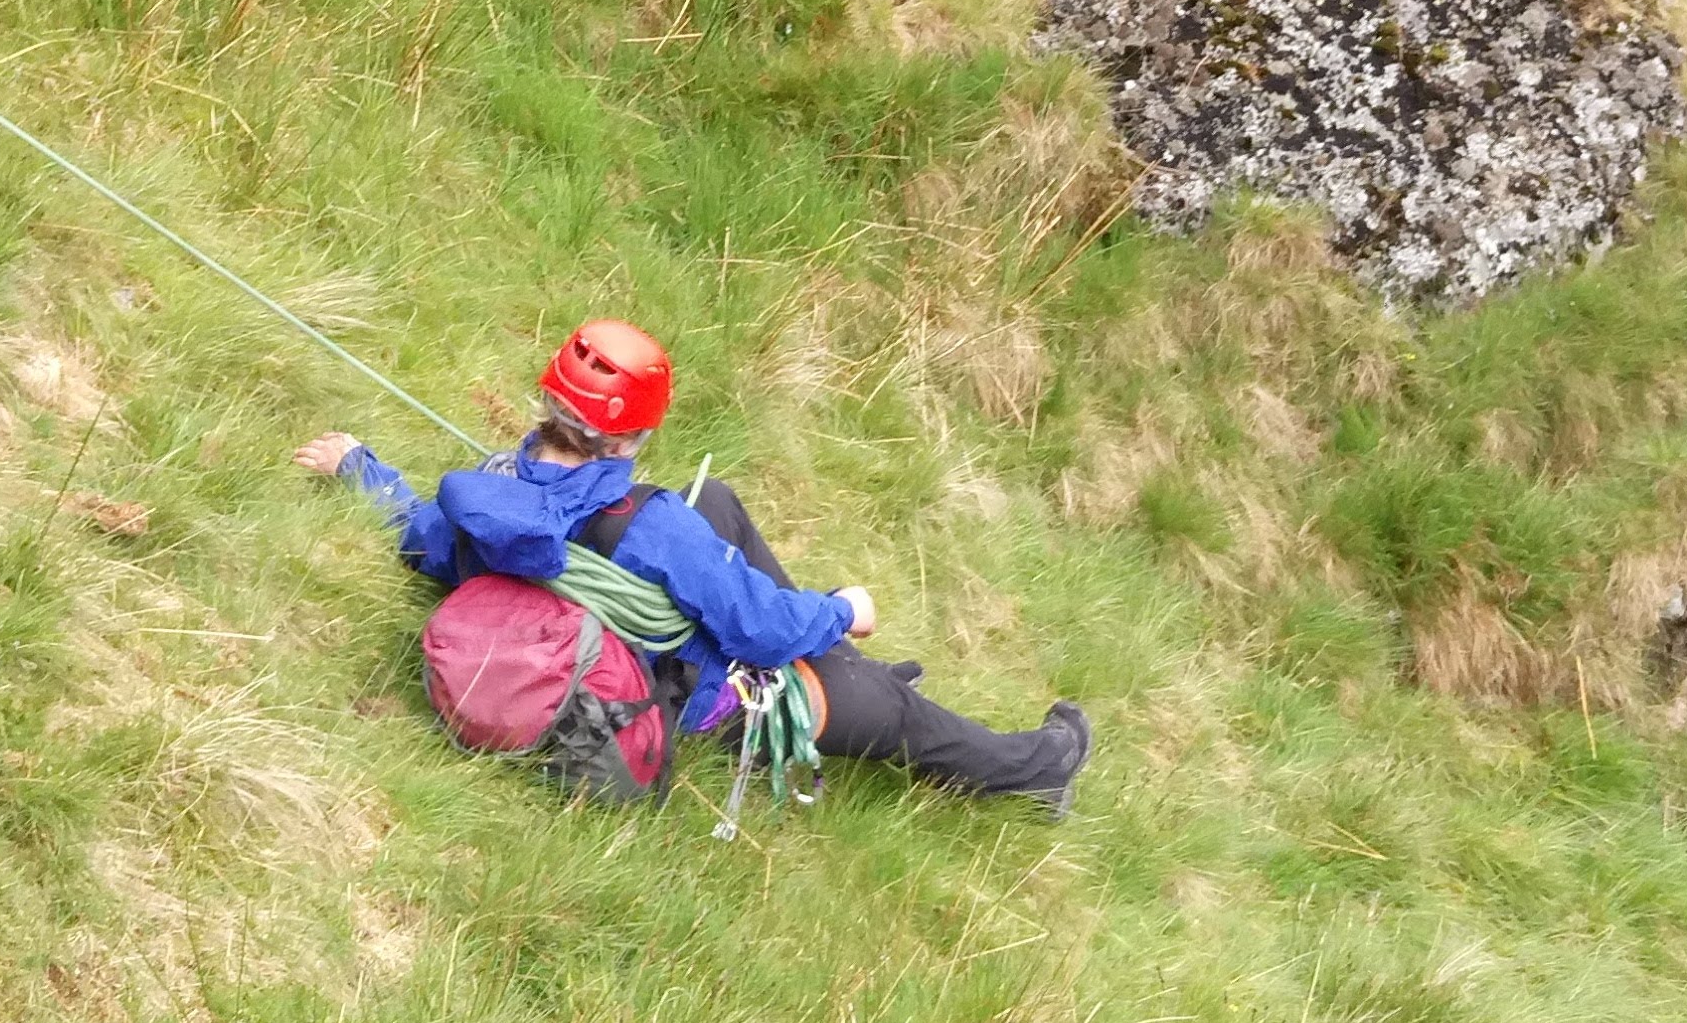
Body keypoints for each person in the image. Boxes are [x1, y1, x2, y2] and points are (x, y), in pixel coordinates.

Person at [298, 320, 1092, 813]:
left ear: (547, 400)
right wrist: (844, 609)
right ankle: (1041, 770)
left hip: (590, 630)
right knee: (887, 709)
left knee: (721, 504)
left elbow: (419, 536)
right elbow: (764, 630)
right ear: (632, 435)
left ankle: (850, 669)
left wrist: (360, 465)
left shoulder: (486, 503)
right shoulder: (653, 529)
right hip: (693, 692)